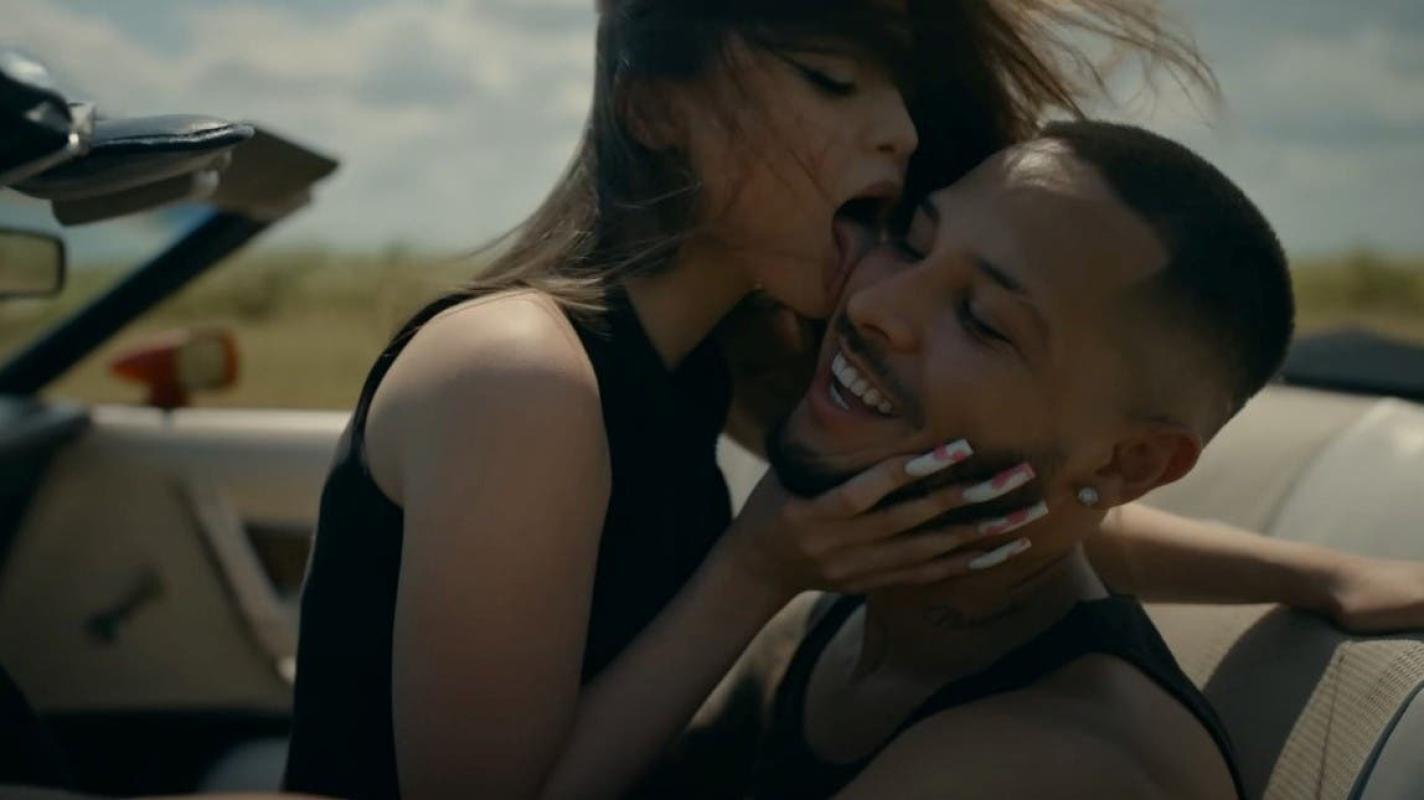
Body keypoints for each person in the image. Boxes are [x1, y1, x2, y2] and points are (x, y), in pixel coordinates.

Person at [284, 2, 1424, 798]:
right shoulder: (524, 376)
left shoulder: (710, 357)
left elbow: (989, 505)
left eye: (900, 92)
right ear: (655, 110)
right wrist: (751, 570)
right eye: (831, 82)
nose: (901, 133)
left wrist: (1316, 573)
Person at [652, 121, 1287, 799]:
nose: (871, 305)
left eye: (982, 320)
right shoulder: (845, 618)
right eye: (910, 242)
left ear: (1126, 464)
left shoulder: (1061, 758)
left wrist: (747, 572)